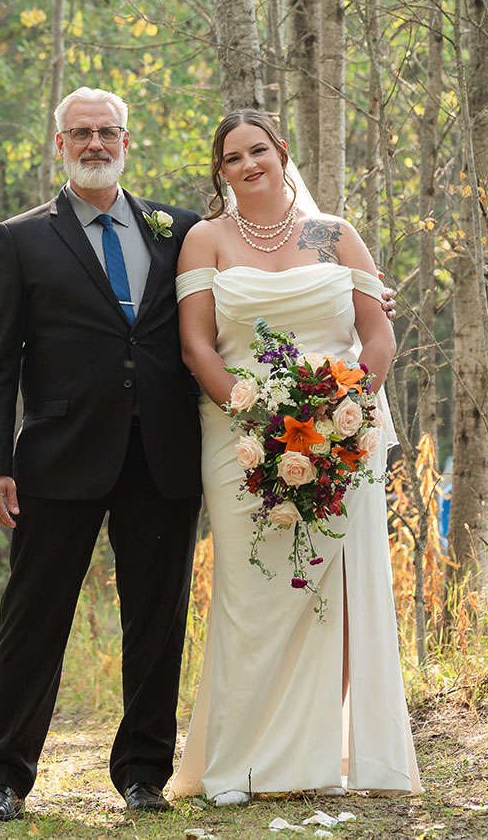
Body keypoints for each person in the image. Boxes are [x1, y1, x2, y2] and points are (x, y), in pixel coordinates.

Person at [171, 109, 421, 804]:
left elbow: (376, 338)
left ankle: (317, 759)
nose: (249, 164)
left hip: (344, 434)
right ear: (219, 172)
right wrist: (255, 413)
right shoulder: (205, 240)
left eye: (258, 150)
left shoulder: (333, 234)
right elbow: (196, 346)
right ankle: (237, 760)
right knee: (251, 595)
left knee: (336, 589)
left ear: (282, 152)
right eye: (232, 158)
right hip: (238, 435)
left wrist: (341, 414)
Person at [0, 86, 204, 820]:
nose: (95, 143)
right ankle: (3, 777)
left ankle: (143, 773)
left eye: (107, 132)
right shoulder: (21, 238)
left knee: (157, 622)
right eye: (81, 133)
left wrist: (356, 298)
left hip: (163, 455)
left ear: (127, 141)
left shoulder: (180, 230)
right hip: (58, 456)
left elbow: (237, 311)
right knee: (34, 619)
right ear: (61, 145)